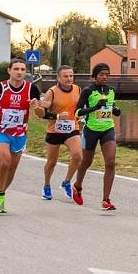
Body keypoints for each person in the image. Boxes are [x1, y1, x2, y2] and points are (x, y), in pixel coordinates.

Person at [0, 59, 41, 213]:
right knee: (5, 162)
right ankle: (0, 193)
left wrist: (36, 107)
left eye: (22, 69)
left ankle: (1, 192)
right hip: (0, 131)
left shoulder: (31, 89)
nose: (19, 72)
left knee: (12, 167)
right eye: (16, 69)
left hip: (19, 134)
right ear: (9, 71)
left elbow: (40, 114)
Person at [72, 63, 121, 210]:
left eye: (107, 74)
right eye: (101, 74)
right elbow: (77, 112)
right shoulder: (88, 91)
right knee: (86, 162)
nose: (104, 77)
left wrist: (116, 109)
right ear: (95, 76)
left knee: (111, 162)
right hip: (91, 130)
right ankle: (77, 186)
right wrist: (95, 107)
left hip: (108, 129)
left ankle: (106, 200)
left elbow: (111, 106)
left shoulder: (111, 91)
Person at [32, 65, 83, 201]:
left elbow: (80, 107)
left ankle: (66, 182)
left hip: (72, 128)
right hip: (54, 130)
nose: (69, 79)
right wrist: (57, 116)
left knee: (77, 155)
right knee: (51, 162)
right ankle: (46, 185)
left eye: (71, 76)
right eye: (65, 76)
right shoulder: (52, 92)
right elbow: (43, 112)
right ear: (58, 78)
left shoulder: (78, 89)